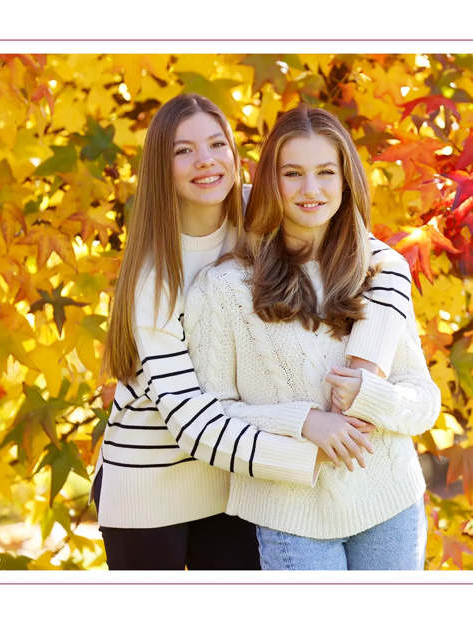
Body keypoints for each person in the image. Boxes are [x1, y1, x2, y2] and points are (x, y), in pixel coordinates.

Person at [91, 94, 415, 570]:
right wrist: (306, 448)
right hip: (152, 480)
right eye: (183, 150)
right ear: (162, 167)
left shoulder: (257, 211)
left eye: (216, 143)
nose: (205, 161)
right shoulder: (155, 279)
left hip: (236, 478)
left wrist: (365, 364)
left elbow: (381, 260)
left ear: (236, 155)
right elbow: (191, 420)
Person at [185, 105, 441, 570]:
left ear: (346, 180)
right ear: (270, 183)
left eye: (326, 172)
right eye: (293, 173)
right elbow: (211, 415)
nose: (311, 189)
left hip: (390, 504)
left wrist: (372, 396)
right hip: (290, 515)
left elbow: (424, 401)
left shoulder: (380, 274)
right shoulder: (225, 288)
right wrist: (304, 422)